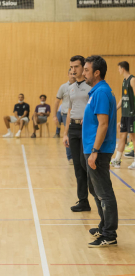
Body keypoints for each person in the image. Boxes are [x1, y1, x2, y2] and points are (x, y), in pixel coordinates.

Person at [82, 55, 118, 248]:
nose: (83, 73)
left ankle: (109, 234)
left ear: (97, 72)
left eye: (86, 70)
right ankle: (104, 225)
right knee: (95, 191)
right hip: (92, 148)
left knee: (104, 193)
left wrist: (95, 151)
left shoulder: (102, 92)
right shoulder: (96, 92)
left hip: (99, 150)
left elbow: (103, 125)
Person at [63, 55, 92, 212]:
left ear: (83, 67)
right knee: (77, 167)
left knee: (84, 162)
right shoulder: (70, 87)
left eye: (76, 67)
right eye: (71, 67)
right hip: (73, 129)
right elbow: (69, 111)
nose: (73, 70)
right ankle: (83, 201)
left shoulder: (91, 86)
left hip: (86, 128)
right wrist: (66, 133)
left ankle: (98, 194)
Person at [110, 61, 135, 169]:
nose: (118, 70)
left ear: (123, 68)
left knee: (133, 137)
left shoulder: (132, 79)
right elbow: (123, 98)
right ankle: (117, 160)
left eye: (119, 68)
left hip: (132, 113)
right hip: (124, 113)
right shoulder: (124, 81)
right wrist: (115, 108)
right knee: (122, 136)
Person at [53, 69, 75, 164]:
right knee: (68, 134)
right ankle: (70, 157)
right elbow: (57, 102)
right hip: (66, 114)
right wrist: (54, 116)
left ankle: (77, 156)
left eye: (74, 74)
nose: (72, 75)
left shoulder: (81, 86)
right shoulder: (63, 87)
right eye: (70, 74)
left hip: (78, 114)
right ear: (68, 74)